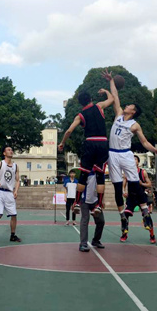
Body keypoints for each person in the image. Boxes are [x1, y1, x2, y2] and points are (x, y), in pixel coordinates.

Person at [101, 69, 157, 241]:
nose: (126, 105)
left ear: (133, 111)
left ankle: (145, 213)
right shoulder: (118, 115)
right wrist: (111, 80)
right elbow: (115, 95)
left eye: (129, 105)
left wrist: (155, 151)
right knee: (117, 188)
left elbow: (144, 142)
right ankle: (123, 217)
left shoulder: (135, 125)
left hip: (126, 155)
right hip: (113, 155)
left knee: (135, 186)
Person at [58, 87, 114, 216]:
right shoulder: (99, 106)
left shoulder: (80, 115)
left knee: (84, 175)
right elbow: (111, 99)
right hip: (102, 143)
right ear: (91, 99)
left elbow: (69, 131)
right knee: (100, 176)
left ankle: (77, 202)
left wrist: (62, 143)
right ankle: (98, 205)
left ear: (80, 103)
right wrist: (106, 91)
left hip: (90, 143)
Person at [0, 146, 21, 243]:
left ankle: (12, 235)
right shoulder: (0, 163)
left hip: (9, 193)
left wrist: (16, 191)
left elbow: (17, 180)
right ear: (4, 153)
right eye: (8, 150)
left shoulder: (15, 166)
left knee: (14, 215)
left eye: (11, 150)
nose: (11, 151)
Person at [122, 154, 156, 243]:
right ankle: (124, 234)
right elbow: (124, 184)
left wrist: (142, 184)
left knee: (147, 215)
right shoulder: (127, 172)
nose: (133, 160)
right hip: (131, 197)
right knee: (125, 215)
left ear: (138, 162)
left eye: (135, 159)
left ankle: (152, 235)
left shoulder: (142, 172)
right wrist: (123, 191)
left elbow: (149, 184)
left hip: (141, 196)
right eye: (132, 159)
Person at [79, 172, 105, 252]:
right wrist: (77, 201)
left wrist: (102, 200)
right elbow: (80, 186)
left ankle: (96, 240)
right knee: (85, 220)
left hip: (95, 201)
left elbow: (102, 187)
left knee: (101, 221)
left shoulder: (100, 173)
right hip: (85, 201)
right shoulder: (86, 172)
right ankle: (83, 244)